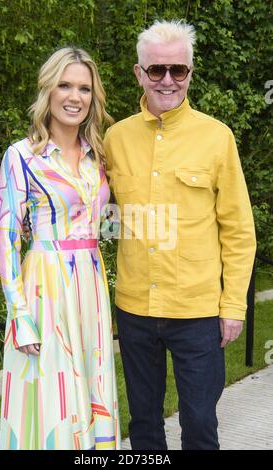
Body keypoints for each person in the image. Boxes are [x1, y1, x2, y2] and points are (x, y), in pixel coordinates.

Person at [103, 20, 256, 450]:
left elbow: (239, 231)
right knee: (145, 427)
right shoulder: (116, 139)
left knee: (200, 424)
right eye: (157, 70)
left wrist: (233, 306)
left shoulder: (217, 137)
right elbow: (90, 207)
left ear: (190, 73)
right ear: (139, 73)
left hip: (198, 312)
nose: (167, 80)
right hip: (134, 310)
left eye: (178, 70)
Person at [0, 46, 120, 450]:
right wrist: (19, 313)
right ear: (47, 91)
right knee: (51, 398)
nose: (74, 96)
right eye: (64, 85)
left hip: (91, 282)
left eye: (84, 88)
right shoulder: (21, 156)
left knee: (93, 388)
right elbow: (7, 238)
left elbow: (106, 222)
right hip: (45, 289)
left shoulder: (96, 156)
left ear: (93, 97)